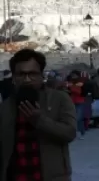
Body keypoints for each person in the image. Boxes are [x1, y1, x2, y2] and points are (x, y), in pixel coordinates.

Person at [0, 49, 76, 181]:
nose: (27, 79)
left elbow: (69, 133)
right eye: (21, 74)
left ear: (42, 75)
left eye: (33, 74)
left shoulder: (59, 99)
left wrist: (39, 120)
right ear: (13, 77)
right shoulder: (5, 107)